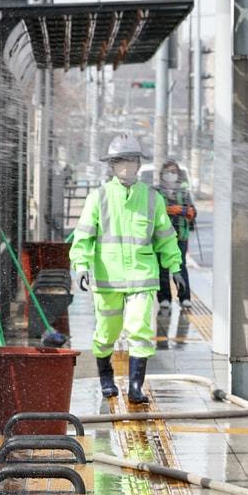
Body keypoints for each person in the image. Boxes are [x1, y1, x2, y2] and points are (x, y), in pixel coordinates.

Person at [70, 134, 187, 404]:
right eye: (120, 161)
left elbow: (166, 237)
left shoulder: (151, 199)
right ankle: (106, 377)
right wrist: (81, 265)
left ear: (138, 164)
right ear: (111, 165)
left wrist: (175, 267)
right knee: (106, 333)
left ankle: (136, 388)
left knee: (140, 330)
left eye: (131, 160)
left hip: (141, 277)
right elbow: (83, 236)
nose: (126, 166)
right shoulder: (98, 198)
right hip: (107, 278)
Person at [154, 159, 197, 309]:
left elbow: (191, 211)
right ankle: (164, 298)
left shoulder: (184, 193)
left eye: (174, 172)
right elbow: (154, 210)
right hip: (161, 236)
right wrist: (173, 209)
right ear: (162, 174)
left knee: (180, 265)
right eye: (168, 172)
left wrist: (188, 212)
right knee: (163, 267)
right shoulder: (156, 191)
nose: (171, 175)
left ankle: (184, 297)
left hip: (180, 235)